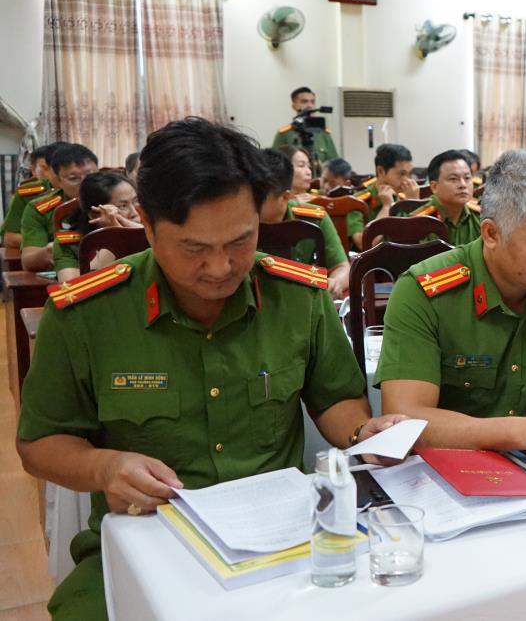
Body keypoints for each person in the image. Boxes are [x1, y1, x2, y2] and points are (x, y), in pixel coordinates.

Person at [17, 117, 402, 620]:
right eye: (195, 248)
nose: (220, 268)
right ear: (147, 225)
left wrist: (360, 432)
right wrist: (105, 467)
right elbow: (40, 443)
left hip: (283, 543)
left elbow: (335, 399)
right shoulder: (86, 315)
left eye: (240, 242)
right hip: (146, 539)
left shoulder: (298, 297)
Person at [377, 149, 526, 452]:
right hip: (450, 464)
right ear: (492, 234)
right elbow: (405, 419)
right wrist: (524, 431)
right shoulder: (423, 291)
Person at [259, 148, 351, 297]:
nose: (250, 205)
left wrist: (335, 283)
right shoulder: (240, 221)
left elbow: (342, 266)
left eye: (258, 199)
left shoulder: (314, 218)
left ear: (284, 197)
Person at [53, 172, 141, 282]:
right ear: (95, 215)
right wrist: (113, 236)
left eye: (136, 201)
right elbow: (74, 288)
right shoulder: (69, 243)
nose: (134, 212)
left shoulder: (151, 229)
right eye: (122, 206)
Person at [22, 143, 98, 272]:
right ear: (58, 181)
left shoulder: (116, 199)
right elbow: (28, 261)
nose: (85, 183)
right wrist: (48, 252)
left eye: (91, 176)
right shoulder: (40, 208)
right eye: (73, 178)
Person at [397, 149, 481, 246]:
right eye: (453, 179)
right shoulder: (416, 223)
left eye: (467, 178)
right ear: (434, 187)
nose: (463, 185)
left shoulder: (482, 217)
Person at [347, 144, 420, 250]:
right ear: (380, 171)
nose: (407, 180)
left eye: (409, 174)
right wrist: (387, 208)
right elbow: (364, 245)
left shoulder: (404, 197)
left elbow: (420, 241)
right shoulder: (357, 202)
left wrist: (413, 203)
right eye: (401, 174)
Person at [3, 142, 60, 248]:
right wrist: (40, 241)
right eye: (45, 168)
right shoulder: (27, 193)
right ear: (33, 170)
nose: (51, 174)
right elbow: (9, 238)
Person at [272, 86, 339, 162]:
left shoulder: (323, 133)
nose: (310, 105)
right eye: (304, 101)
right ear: (294, 106)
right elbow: (274, 163)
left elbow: (335, 163)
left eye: (312, 102)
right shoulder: (285, 134)